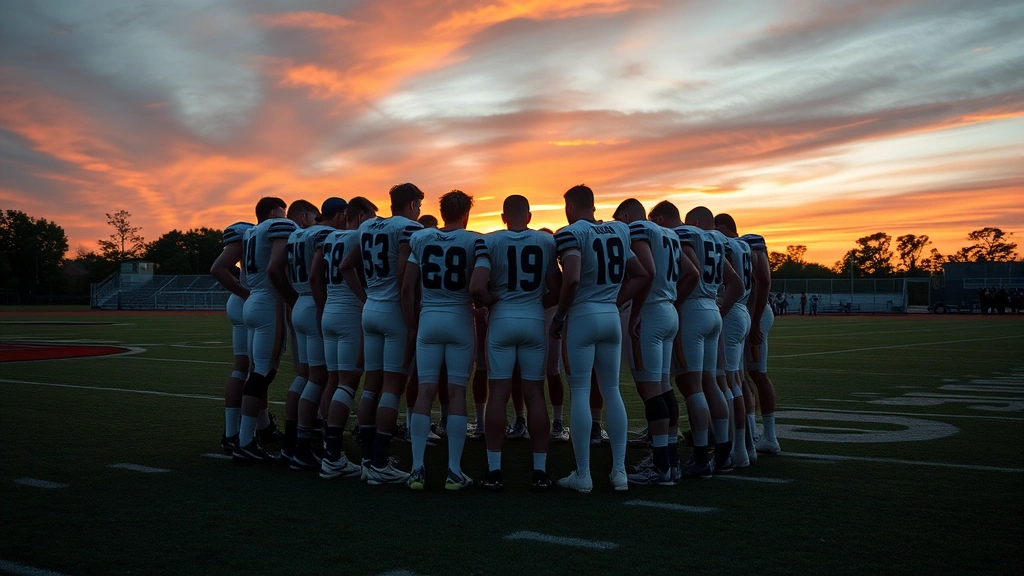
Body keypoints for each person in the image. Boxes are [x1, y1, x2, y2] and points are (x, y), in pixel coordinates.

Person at [550, 184, 650, 493]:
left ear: (570, 207)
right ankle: (619, 472)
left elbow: (574, 277)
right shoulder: (619, 230)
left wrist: (561, 315)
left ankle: (584, 474)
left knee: (580, 390)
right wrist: (615, 301)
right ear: (593, 206)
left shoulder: (571, 233)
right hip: (609, 315)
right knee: (612, 390)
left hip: (582, 314)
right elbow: (643, 274)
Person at [470, 194, 561, 492]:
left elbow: (476, 287)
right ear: (530, 216)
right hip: (534, 320)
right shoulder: (546, 242)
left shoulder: (490, 240)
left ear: (503, 216)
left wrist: (493, 302)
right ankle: (539, 471)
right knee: (535, 393)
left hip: (502, 320)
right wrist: (535, 302)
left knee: (498, 393)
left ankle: (495, 470)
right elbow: (556, 288)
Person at [339, 183, 424, 484]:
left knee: (371, 386)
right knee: (392, 387)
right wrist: (410, 319)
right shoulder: (408, 229)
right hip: (393, 312)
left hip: (371, 309)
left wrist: (366, 298)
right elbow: (404, 279)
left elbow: (345, 266)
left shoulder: (367, 228)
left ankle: (366, 460)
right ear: (413, 204)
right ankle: (380, 462)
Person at [403, 190, 481, 491]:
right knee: (457, 391)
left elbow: (408, 286)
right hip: (460, 317)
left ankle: (417, 469)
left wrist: (412, 324)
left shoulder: (421, 239)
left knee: (425, 390)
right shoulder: (474, 240)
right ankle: (453, 470)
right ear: (466, 213)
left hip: (430, 318)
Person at [232, 199, 319, 464]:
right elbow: (274, 268)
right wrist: (291, 296)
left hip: (253, 300)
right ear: (273, 212)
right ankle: (246, 440)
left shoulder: (250, 232)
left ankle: (247, 435)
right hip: (268, 302)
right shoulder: (278, 226)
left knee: (258, 371)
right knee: (262, 373)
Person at [612, 199, 687, 485]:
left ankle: (660, 466)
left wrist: (636, 312)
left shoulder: (641, 229)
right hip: (667, 310)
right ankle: (670, 460)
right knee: (664, 388)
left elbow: (649, 272)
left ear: (628, 216)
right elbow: (689, 272)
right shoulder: (668, 233)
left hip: (652, 313)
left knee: (653, 390)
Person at [316, 197, 378, 479]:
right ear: (362, 214)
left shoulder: (330, 238)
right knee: (348, 382)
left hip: (330, 309)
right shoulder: (360, 235)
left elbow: (315, 274)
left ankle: (330, 447)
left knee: (334, 380)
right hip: (350, 313)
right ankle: (332, 456)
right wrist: (365, 298)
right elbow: (351, 269)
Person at [287, 198, 346, 469]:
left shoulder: (297, 234)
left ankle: (294, 441)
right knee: (320, 379)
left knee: (305, 375)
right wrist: (322, 307)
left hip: (300, 301)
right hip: (314, 302)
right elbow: (315, 275)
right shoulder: (324, 233)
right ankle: (303, 445)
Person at [210, 205, 261, 454]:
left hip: (242, 302)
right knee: (251, 371)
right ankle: (234, 433)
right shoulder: (246, 232)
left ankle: (256, 427)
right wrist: (244, 291)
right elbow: (219, 267)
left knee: (251, 371)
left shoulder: (253, 234)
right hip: (246, 302)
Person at [715, 213, 754, 468]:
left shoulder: (726, 244)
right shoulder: (747, 245)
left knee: (730, 384)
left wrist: (720, 311)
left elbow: (734, 284)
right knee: (738, 380)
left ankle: (737, 449)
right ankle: (748, 442)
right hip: (743, 311)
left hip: (731, 309)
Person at [741, 229, 781, 455]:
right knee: (741, 375)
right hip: (748, 314)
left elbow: (763, 280)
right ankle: (751, 433)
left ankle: (769, 436)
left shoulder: (749, 242)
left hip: (754, 314)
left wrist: (755, 322)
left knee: (757, 374)